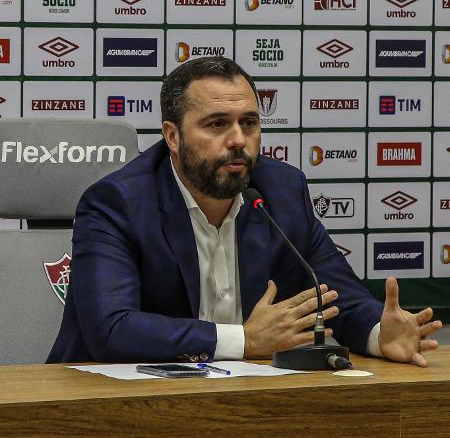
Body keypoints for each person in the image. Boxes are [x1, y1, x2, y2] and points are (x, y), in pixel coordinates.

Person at [47, 57, 442, 366]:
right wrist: (245, 340)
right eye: (217, 124)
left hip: (240, 398)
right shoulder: (118, 202)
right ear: (172, 136)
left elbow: (336, 296)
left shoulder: (281, 192)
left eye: (249, 123)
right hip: (107, 403)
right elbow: (112, 329)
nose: (238, 140)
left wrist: (379, 333)